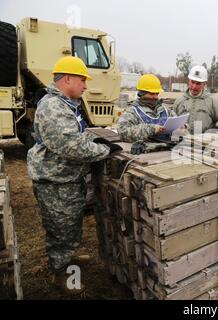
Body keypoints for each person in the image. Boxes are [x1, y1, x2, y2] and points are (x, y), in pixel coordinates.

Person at [27, 56, 122, 295]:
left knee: (70, 224)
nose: (86, 86)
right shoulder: (53, 107)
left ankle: (68, 255)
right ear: (67, 78)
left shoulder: (67, 104)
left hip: (66, 179)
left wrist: (95, 138)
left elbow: (78, 135)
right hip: (55, 181)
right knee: (60, 228)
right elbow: (71, 146)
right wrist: (104, 150)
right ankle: (62, 274)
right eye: (82, 80)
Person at [117, 74, 178, 154]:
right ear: (142, 93)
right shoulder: (132, 111)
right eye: (152, 94)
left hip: (168, 150)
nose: (155, 97)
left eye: (157, 93)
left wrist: (182, 128)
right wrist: (150, 129)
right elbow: (123, 132)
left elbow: (178, 122)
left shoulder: (166, 110)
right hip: (147, 154)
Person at [173, 65, 218, 133]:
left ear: (204, 84)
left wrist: (213, 131)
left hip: (204, 142)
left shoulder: (212, 101)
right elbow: (173, 121)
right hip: (183, 141)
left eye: (198, 84)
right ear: (189, 81)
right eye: (192, 82)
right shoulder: (179, 101)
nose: (194, 87)